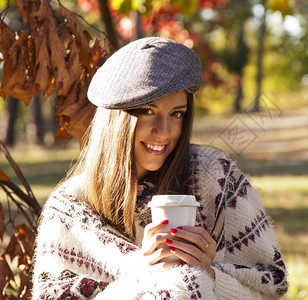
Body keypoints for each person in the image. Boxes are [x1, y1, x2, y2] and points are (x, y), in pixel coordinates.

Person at [31, 37, 288, 299]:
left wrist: (209, 274)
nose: (164, 132)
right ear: (117, 118)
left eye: (177, 114)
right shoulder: (70, 207)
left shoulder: (216, 178)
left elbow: (271, 287)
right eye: (148, 111)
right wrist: (144, 275)